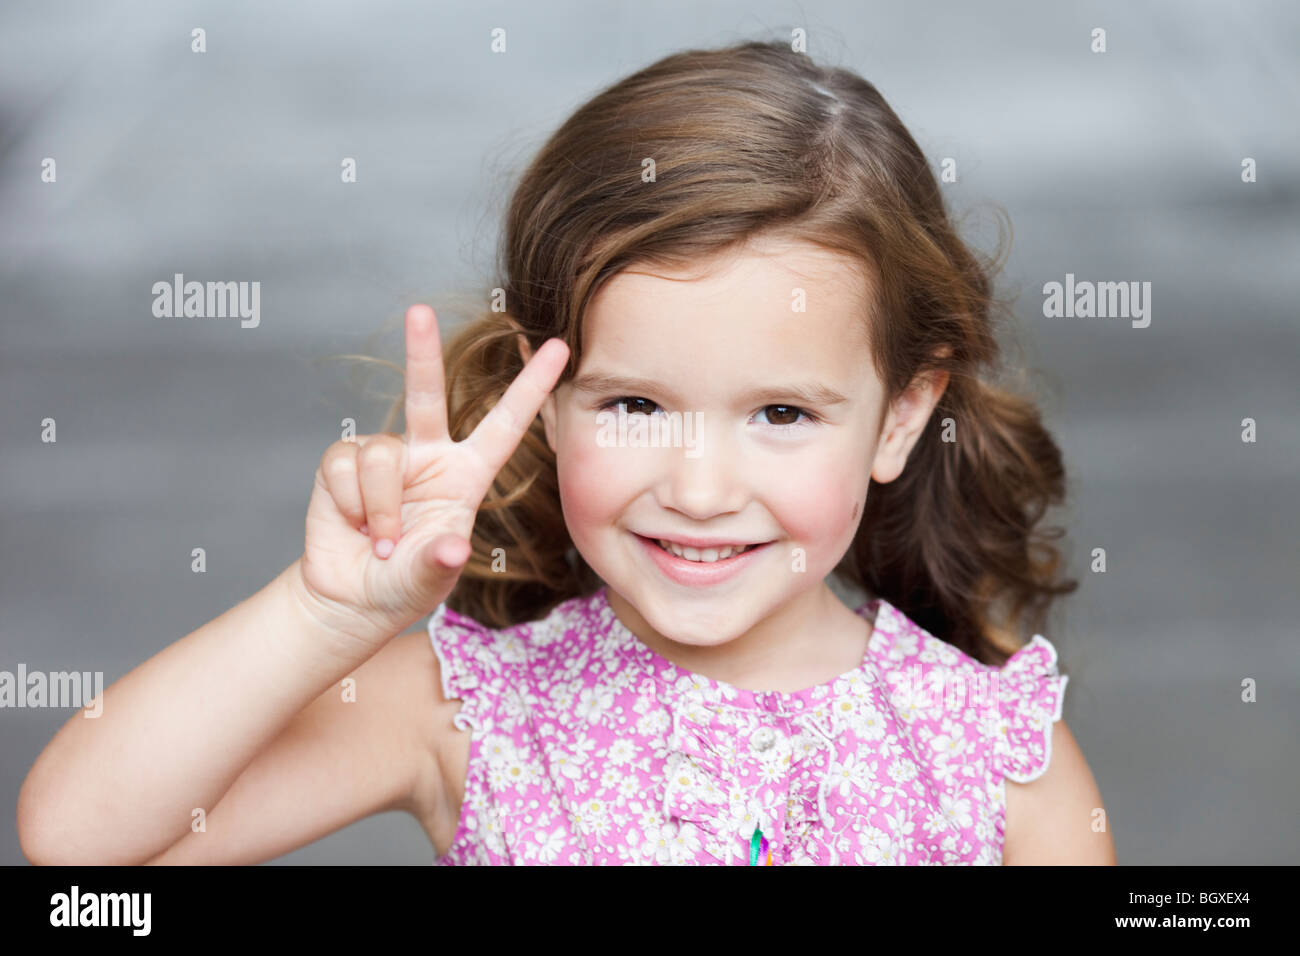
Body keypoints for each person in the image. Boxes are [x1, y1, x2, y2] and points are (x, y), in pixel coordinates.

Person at [17, 39, 1115, 866]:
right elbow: (79, 844)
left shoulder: (993, 759)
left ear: (898, 416)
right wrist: (326, 616)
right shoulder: (467, 705)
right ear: (542, 399)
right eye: (634, 403)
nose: (695, 487)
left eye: (780, 413)